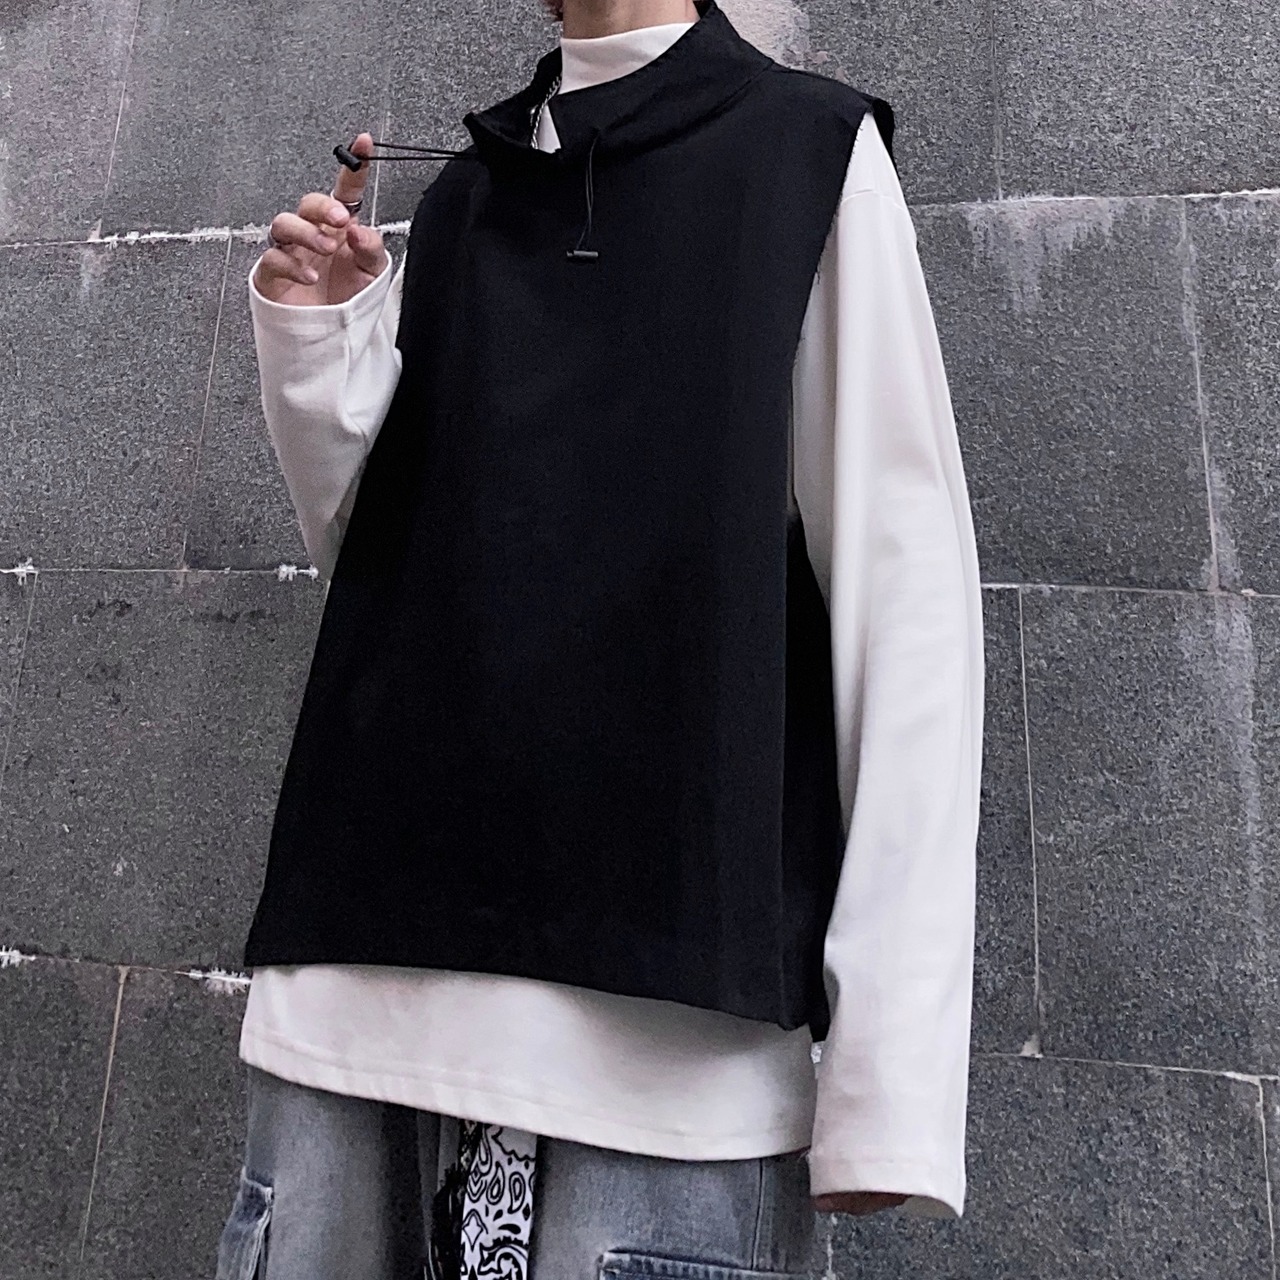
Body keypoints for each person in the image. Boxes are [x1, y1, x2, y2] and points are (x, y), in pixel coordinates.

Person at [215, 1, 984, 1276]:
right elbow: (388, 570)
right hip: (356, 991)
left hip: (665, 1050)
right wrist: (321, 337)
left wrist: (887, 1080)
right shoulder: (465, 194)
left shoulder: (804, 155)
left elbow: (902, 609)